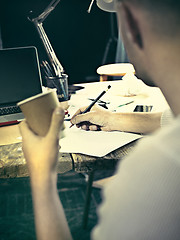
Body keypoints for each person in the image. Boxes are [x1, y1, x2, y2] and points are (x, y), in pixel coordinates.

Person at [19, 0, 180, 239]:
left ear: (132, 25)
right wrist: (112, 119)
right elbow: (172, 120)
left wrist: (42, 178)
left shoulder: (155, 174)